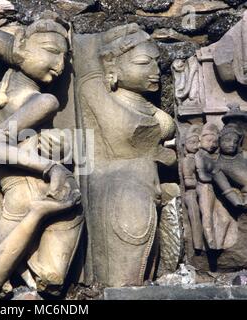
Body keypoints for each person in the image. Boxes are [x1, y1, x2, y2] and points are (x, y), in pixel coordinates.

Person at [0, 12, 83, 297]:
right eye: (51, 52)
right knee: (42, 278)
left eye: (64, 57)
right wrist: (52, 167)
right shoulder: (44, 101)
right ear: (22, 47)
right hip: (34, 187)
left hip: (17, 187)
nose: (60, 65)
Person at [75, 23, 176, 287]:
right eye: (144, 63)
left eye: (156, 63)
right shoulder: (95, 91)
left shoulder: (143, 103)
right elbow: (125, 139)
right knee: (124, 277)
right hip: (118, 188)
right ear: (112, 68)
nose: (155, 71)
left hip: (145, 185)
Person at [182, 124, 204, 250]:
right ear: (185, 145)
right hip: (191, 194)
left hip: (199, 192)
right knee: (195, 219)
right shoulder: (187, 160)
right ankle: (197, 245)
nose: (196, 145)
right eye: (192, 142)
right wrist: (202, 181)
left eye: (197, 142)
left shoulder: (198, 157)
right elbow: (188, 182)